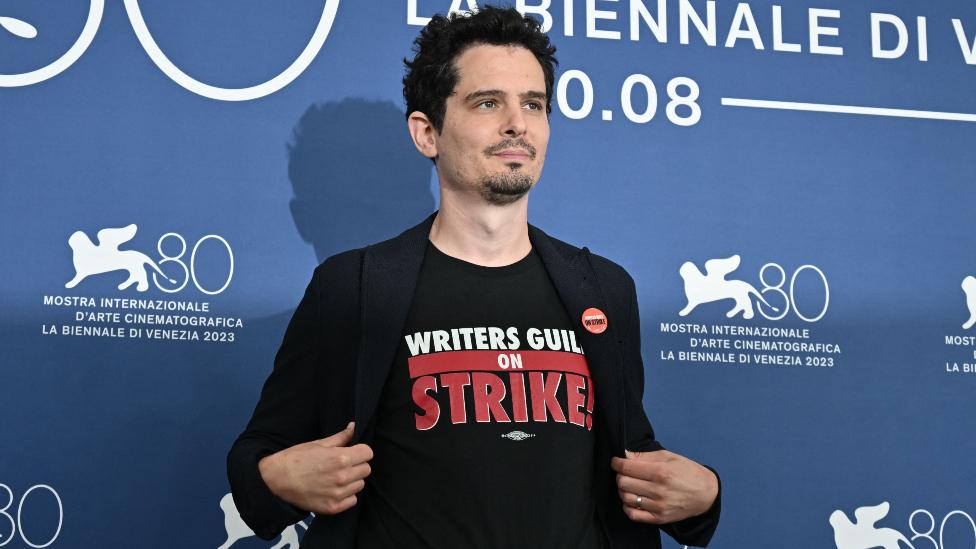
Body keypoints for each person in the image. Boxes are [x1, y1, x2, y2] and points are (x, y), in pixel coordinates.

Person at [227, 6, 720, 548]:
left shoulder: (604, 289)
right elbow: (263, 452)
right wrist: (275, 478)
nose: (518, 123)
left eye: (533, 104)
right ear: (427, 133)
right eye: (488, 102)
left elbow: (636, 457)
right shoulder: (354, 287)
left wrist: (703, 501)